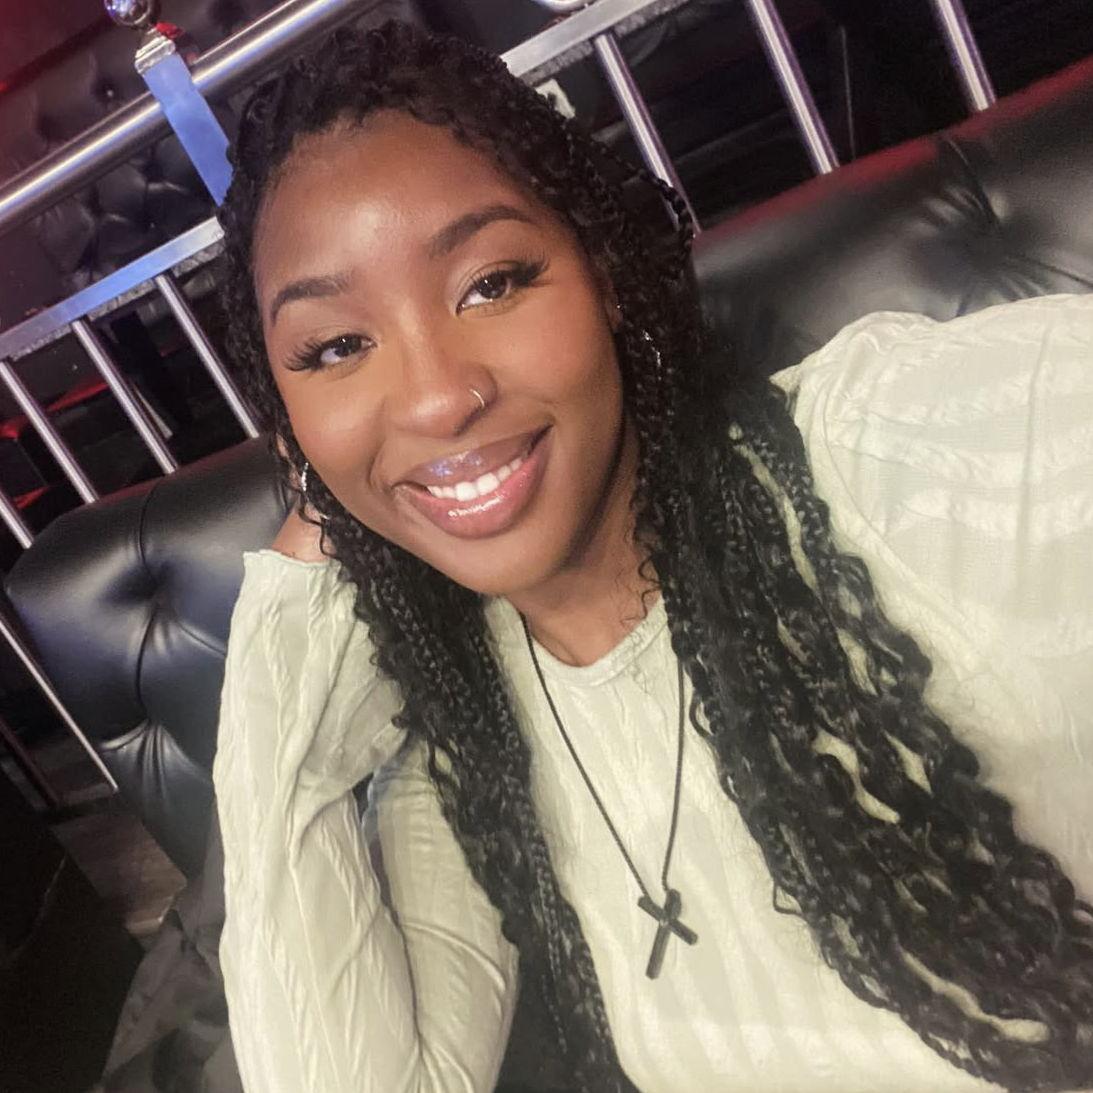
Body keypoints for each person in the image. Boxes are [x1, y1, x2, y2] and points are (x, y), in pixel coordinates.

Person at [212, 20, 1093, 1093]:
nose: (438, 396)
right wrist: (290, 626)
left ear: (606, 273)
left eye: (492, 283)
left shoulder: (890, 462)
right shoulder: (466, 737)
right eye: (336, 347)